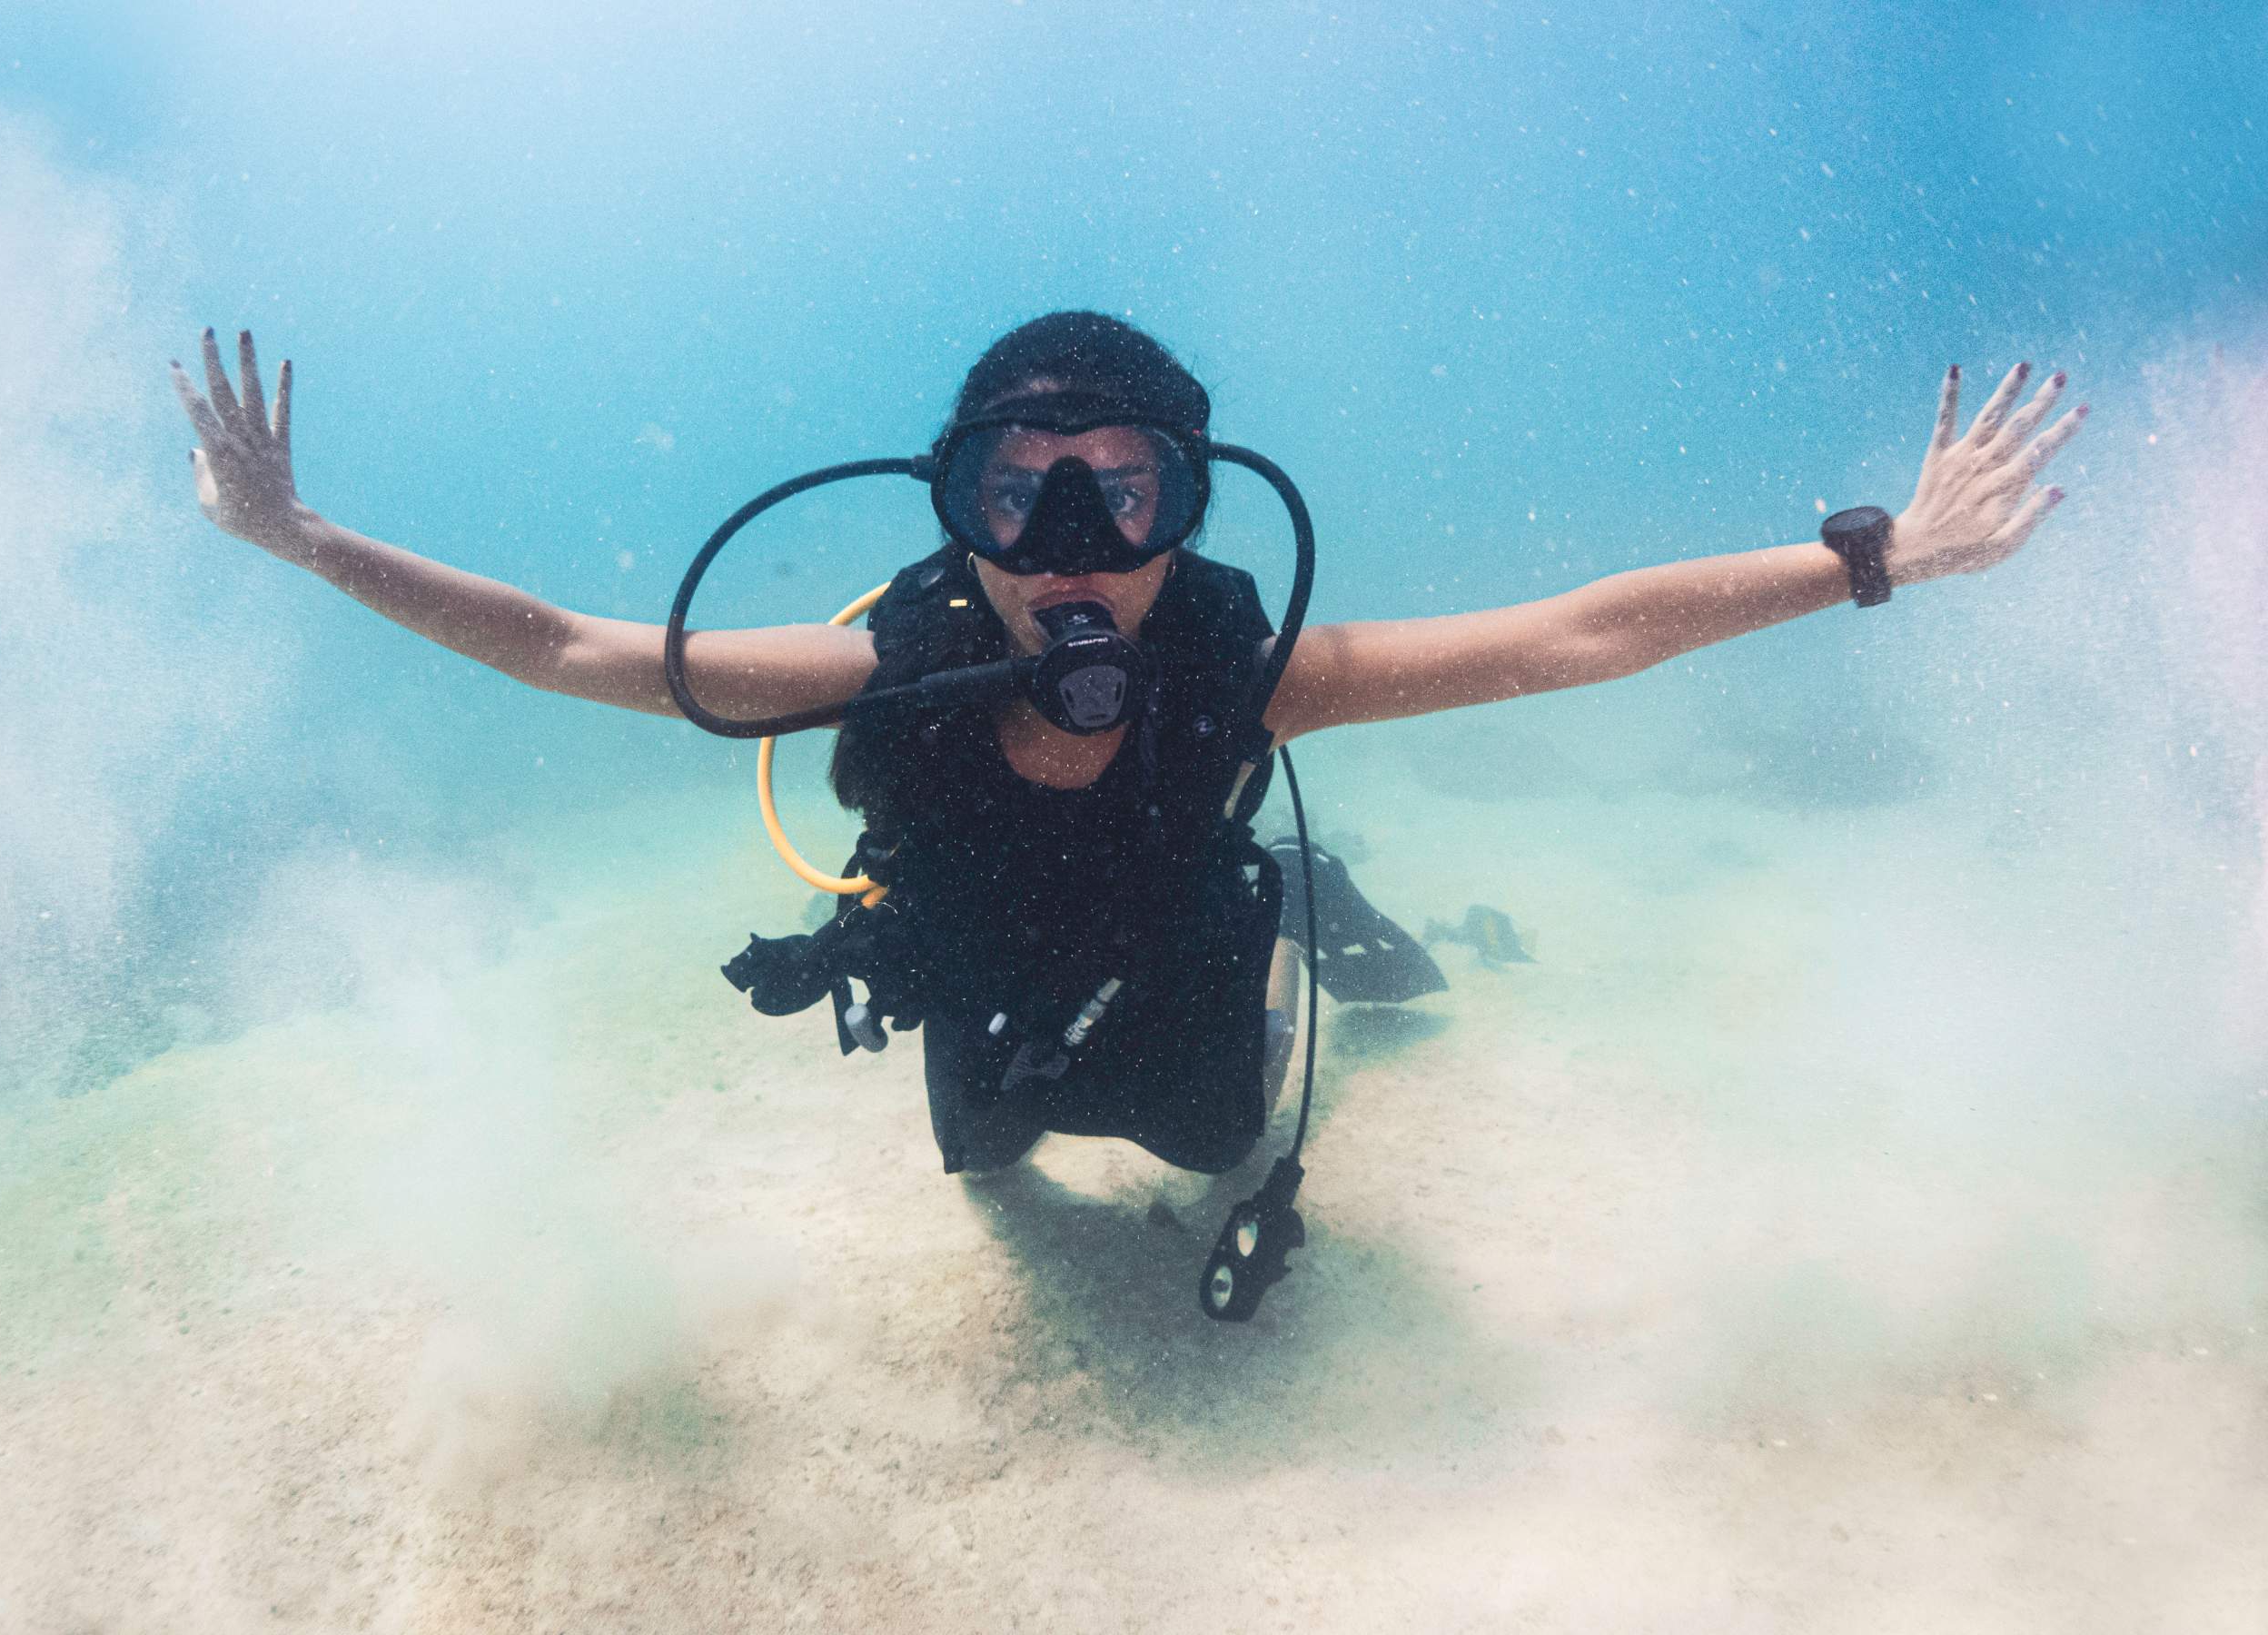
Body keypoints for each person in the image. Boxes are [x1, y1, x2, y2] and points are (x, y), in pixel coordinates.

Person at [171, 312, 2085, 1189]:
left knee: (1200, 1141)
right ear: (956, 519)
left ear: (1187, 504)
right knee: (985, 1165)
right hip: (976, 963)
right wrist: (298, 534)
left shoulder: (1238, 681)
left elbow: (1566, 634)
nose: (1074, 555)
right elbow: (589, 647)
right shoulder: (881, 671)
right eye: (1021, 501)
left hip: (1172, 933)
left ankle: (1283, 913)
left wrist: (1869, 554)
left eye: (1123, 494)